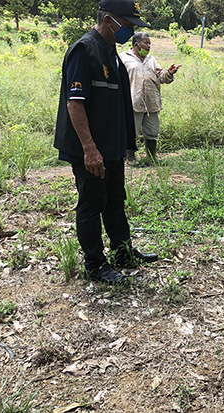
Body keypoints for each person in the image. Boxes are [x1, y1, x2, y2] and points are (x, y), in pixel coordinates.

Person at [54, 0, 158, 283]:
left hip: (110, 147)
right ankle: (95, 264)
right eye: (127, 24)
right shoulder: (83, 51)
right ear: (109, 19)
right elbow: (74, 105)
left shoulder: (112, 54)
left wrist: (124, 145)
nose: (130, 31)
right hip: (89, 148)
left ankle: (122, 252)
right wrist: (89, 150)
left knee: (115, 199)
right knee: (92, 201)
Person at [120, 32, 181, 164]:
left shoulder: (151, 59)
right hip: (133, 101)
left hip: (151, 101)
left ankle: (151, 157)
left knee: (153, 131)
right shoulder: (123, 58)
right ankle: (130, 158)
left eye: (149, 43)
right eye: (146, 43)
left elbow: (161, 76)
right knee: (132, 131)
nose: (149, 46)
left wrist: (169, 73)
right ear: (136, 44)